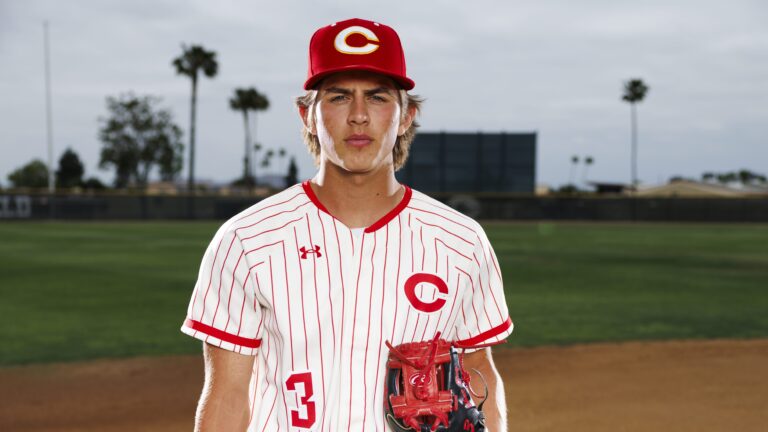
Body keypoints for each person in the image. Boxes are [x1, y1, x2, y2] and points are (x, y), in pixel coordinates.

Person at [181, 17, 513, 431]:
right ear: (307, 115)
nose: (358, 116)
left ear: (406, 115)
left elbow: (479, 369)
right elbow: (227, 394)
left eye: (377, 97)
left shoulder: (461, 242)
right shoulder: (246, 239)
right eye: (338, 97)